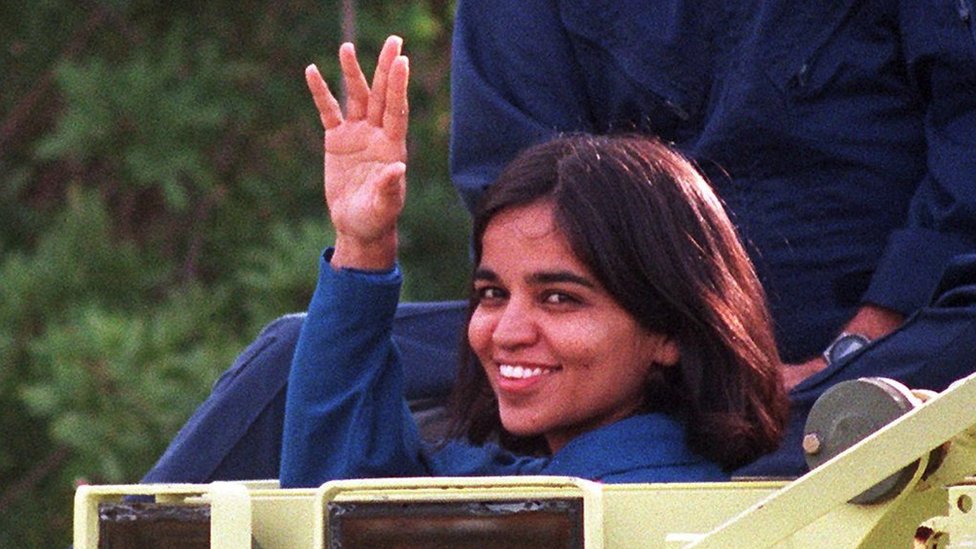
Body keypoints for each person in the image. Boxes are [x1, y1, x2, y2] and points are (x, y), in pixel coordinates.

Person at [278, 37, 789, 487]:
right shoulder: (532, 484)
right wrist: (363, 245)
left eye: (559, 298)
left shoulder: (622, 503)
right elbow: (343, 500)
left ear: (670, 332)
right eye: (492, 294)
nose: (507, 332)